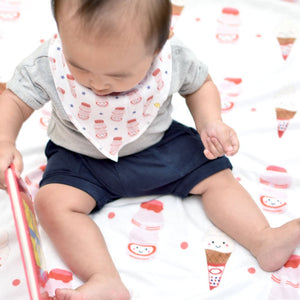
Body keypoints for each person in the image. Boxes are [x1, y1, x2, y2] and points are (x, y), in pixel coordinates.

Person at [0, 0, 300, 299]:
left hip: (158, 144)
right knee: (52, 203)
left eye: (118, 75)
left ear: (158, 48)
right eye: (78, 66)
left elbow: (199, 85)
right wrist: (5, 140)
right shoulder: (47, 62)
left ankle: (263, 240)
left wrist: (210, 122)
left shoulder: (173, 57)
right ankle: (104, 279)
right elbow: (14, 100)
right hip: (80, 157)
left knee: (216, 173)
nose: (97, 83)